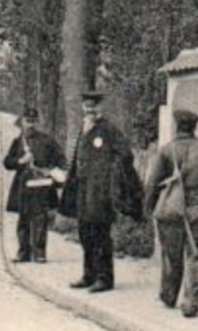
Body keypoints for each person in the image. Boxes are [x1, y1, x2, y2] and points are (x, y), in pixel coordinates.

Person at [143, 108, 198, 318]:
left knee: (171, 255)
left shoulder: (166, 151)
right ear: (194, 127)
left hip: (170, 210)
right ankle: (190, 303)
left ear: (177, 126)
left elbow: (152, 185)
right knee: (196, 257)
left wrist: (150, 209)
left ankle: (169, 296)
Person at [59, 90, 142, 292]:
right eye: (87, 106)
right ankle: (89, 275)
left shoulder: (108, 129)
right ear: (82, 108)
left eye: (94, 106)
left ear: (101, 108)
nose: (90, 110)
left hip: (100, 194)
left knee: (101, 235)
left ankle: (105, 278)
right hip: (83, 192)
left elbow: (125, 154)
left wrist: (108, 175)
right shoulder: (85, 128)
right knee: (85, 234)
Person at [3, 107, 66, 263]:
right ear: (22, 122)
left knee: (40, 218)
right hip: (23, 184)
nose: (30, 125)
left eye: (32, 121)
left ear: (36, 122)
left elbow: (61, 160)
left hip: (41, 185)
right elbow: (7, 163)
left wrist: (50, 170)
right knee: (23, 218)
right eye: (27, 121)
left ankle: (39, 253)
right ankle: (23, 253)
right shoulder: (17, 142)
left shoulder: (47, 140)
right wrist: (20, 161)